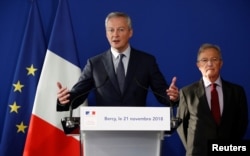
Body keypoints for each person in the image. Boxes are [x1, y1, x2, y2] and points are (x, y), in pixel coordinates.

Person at [56, 11, 179, 111]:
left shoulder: (146, 61)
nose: (115, 35)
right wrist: (65, 99)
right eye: (111, 30)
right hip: (104, 133)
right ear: (106, 34)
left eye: (120, 30)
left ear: (130, 32)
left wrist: (172, 97)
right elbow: (78, 95)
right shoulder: (95, 64)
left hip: (138, 132)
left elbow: (162, 94)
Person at [176, 43, 248, 156]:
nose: (209, 64)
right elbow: (181, 126)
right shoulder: (187, 93)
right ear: (198, 65)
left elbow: (241, 125)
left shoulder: (236, 92)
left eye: (214, 59)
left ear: (221, 63)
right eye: (204, 60)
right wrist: (194, 148)